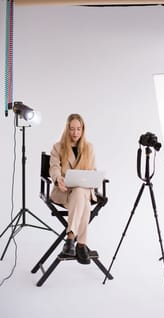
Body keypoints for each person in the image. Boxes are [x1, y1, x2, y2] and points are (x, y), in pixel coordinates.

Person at [49, 113, 96, 264]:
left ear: (83, 130)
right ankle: (81, 245)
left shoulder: (89, 148)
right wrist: (58, 178)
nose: (75, 133)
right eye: (72, 129)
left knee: (81, 191)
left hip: (82, 192)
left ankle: (70, 240)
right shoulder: (58, 147)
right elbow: (54, 167)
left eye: (78, 129)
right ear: (67, 129)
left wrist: (92, 178)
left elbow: (93, 171)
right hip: (65, 193)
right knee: (84, 203)